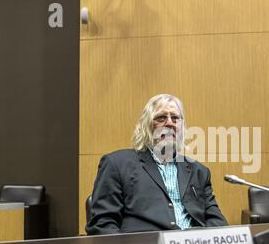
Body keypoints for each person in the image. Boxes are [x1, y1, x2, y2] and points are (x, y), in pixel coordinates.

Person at [86, 94, 228, 235]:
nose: (169, 123)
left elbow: (216, 220)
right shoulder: (117, 164)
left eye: (175, 118)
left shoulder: (199, 171)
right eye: (161, 118)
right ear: (146, 126)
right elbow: (103, 224)